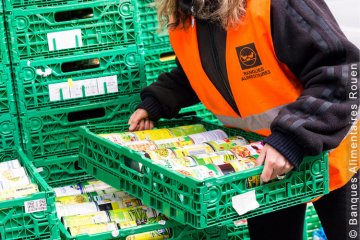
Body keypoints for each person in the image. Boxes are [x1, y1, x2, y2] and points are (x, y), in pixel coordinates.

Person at [128, 0, 360, 239]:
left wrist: (292, 138)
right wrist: (157, 101)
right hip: (260, 165)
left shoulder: (273, 5)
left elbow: (343, 72)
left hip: (330, 152)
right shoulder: (187, 17)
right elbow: (194, 72)